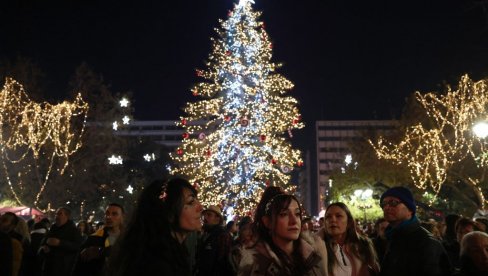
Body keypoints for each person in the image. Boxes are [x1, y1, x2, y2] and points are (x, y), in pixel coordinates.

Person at [105, 178, 203, 275]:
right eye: (191, 202)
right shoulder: (156, 263)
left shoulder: (172, 251)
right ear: (167, 212)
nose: (200, 208)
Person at [238, 186, 327, 276]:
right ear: (267, 222)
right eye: (284, 214)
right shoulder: (254, 264)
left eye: (297, 214)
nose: (294, 221)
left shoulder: (314, 253)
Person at [379, 186, 451, 276]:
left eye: (393, 202)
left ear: (410, 209)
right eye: (383, 204)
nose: (386, 207)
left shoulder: (427, 242)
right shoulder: (391, 238)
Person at [317, 202, 379, 276]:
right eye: (328, 217)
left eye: (338, 216)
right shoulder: (318, 248)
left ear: (349, 222)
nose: (333, 220)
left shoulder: (364, 245)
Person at [73, 203, 125, 276]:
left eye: (114, 214)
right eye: (107, 213)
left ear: (122, 217)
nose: (109, 217)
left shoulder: (128, 238)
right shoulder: (94, 238)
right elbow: (80, 265)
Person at [39, 207, 82, 276]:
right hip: (49, 265)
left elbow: (77, 246)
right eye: (56, 214)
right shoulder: (53, 227)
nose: (56, 216)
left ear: (67, 216)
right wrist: (44, 246)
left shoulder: (74, 230)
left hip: (63, 267)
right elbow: (45, 239)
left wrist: (60, 243)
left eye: (60, 214)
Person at [196, 204, 233, 276]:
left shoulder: (222, 235)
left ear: (217, 218)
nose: (205, 218)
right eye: (205, 215)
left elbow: (224, 263)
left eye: (209, 215)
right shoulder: (206, 234)